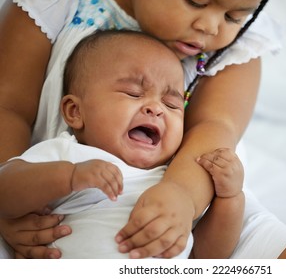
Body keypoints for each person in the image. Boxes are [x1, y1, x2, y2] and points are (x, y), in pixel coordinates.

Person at [0, 0, 286, 259]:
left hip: (195, 194)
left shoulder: (237, 44)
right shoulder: (56, 4)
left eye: (235, 15)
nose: (212, 27)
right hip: (54, 199)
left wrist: (184, 198)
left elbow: (215, 128)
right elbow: (9, 106)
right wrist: (9, 208)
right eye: (196, 1)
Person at [0, 29, 245, 259]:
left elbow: (205, 257)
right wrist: (70, 176)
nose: (156, 108)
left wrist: (229, 199)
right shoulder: (68, 154)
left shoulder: (173, 179)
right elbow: (5, 192)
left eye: (172, 105)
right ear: (75, 111)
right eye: (133, 93)